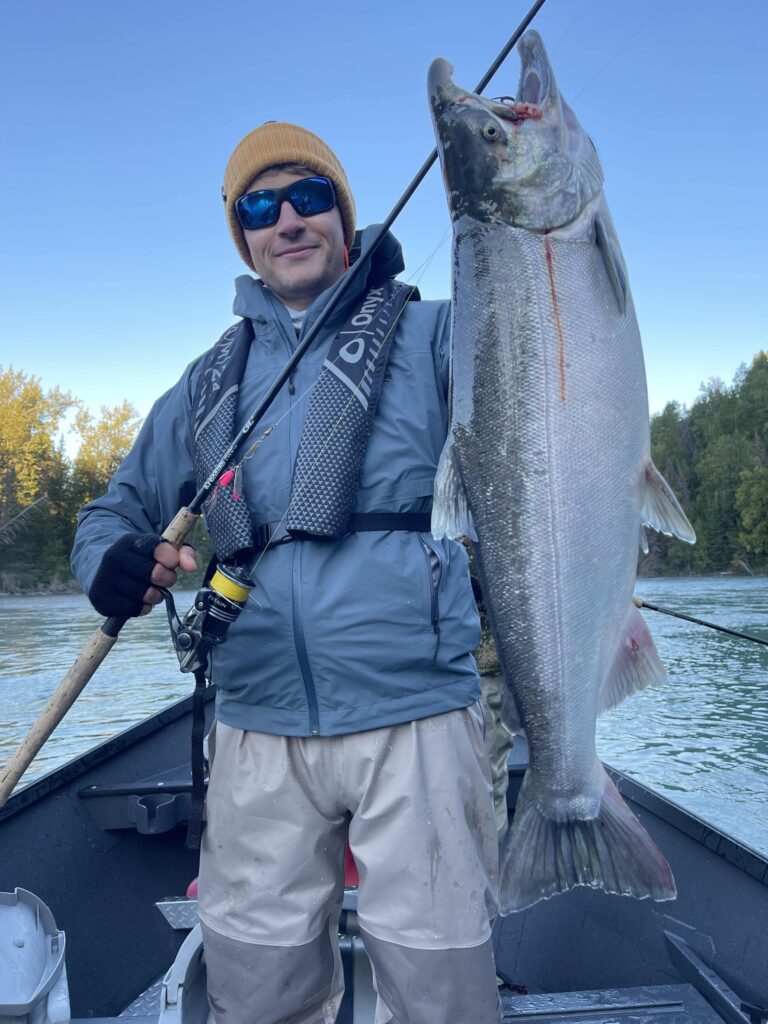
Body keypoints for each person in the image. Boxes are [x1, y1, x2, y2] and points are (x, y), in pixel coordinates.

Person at [71, 122, 501, 1024]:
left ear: (345, 215)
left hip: (415, 709)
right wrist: (108, 565)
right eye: (260, 207)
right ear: (243, 235)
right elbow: (115, 514)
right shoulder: (205, 383)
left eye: (310, 196)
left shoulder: (438, 337)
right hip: (256, 719)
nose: (288, 221)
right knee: (258, 992)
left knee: (441, 989)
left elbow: (548, 392)